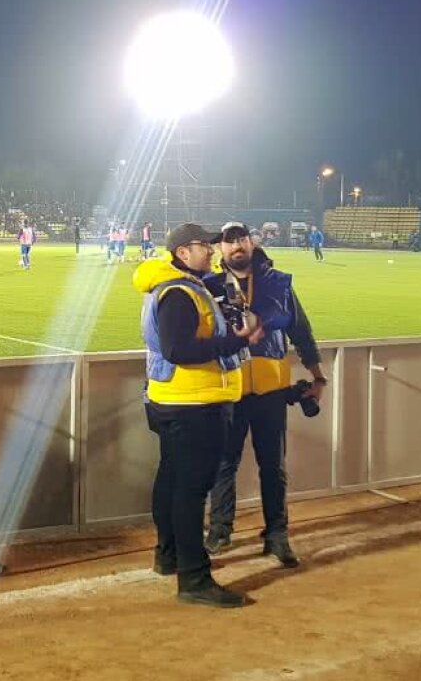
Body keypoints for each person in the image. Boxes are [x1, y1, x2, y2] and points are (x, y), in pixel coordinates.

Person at [132, 223, 260, 608]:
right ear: (182, 253)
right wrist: (235, 341)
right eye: (202, 245)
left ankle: (168, 555)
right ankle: (194, 578)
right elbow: (179, 349)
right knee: (189, 490)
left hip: (174, 400)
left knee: (172, 480)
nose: (211, 250)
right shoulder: (179, 292)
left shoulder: (180, 286)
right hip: (193, 404)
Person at [204, 224, 325, 567]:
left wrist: (318, 378)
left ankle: (277, 534)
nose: (237, 245)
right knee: (224, 463)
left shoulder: (279, 282)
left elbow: (301, 331)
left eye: (242, 238)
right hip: (230, 388)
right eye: (229, 241)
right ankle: (219, 530)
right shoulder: (210, 286)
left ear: (252, 242)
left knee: (273, 466)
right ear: (221, 250)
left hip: (271, 391)